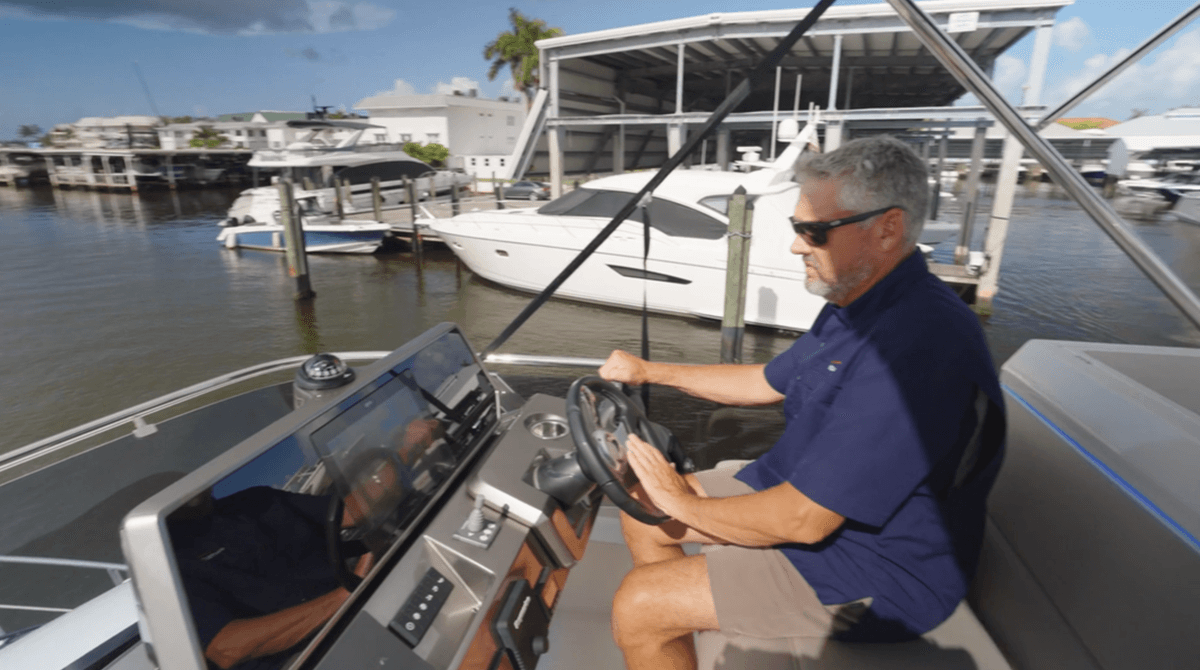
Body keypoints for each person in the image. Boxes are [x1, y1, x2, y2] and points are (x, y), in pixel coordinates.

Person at [599, 136, 1005, 670]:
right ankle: (687, 633)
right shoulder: (854, 302)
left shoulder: (920, 346)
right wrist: (650, 371)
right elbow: (767, 381)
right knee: (641, 508)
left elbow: (805, 520)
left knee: (640, 602)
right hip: (801, 496)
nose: (797, 245)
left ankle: (669, 614)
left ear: (887, 228)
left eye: (814, 231)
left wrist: (685, 504)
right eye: (797, 228)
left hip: (885, 569)